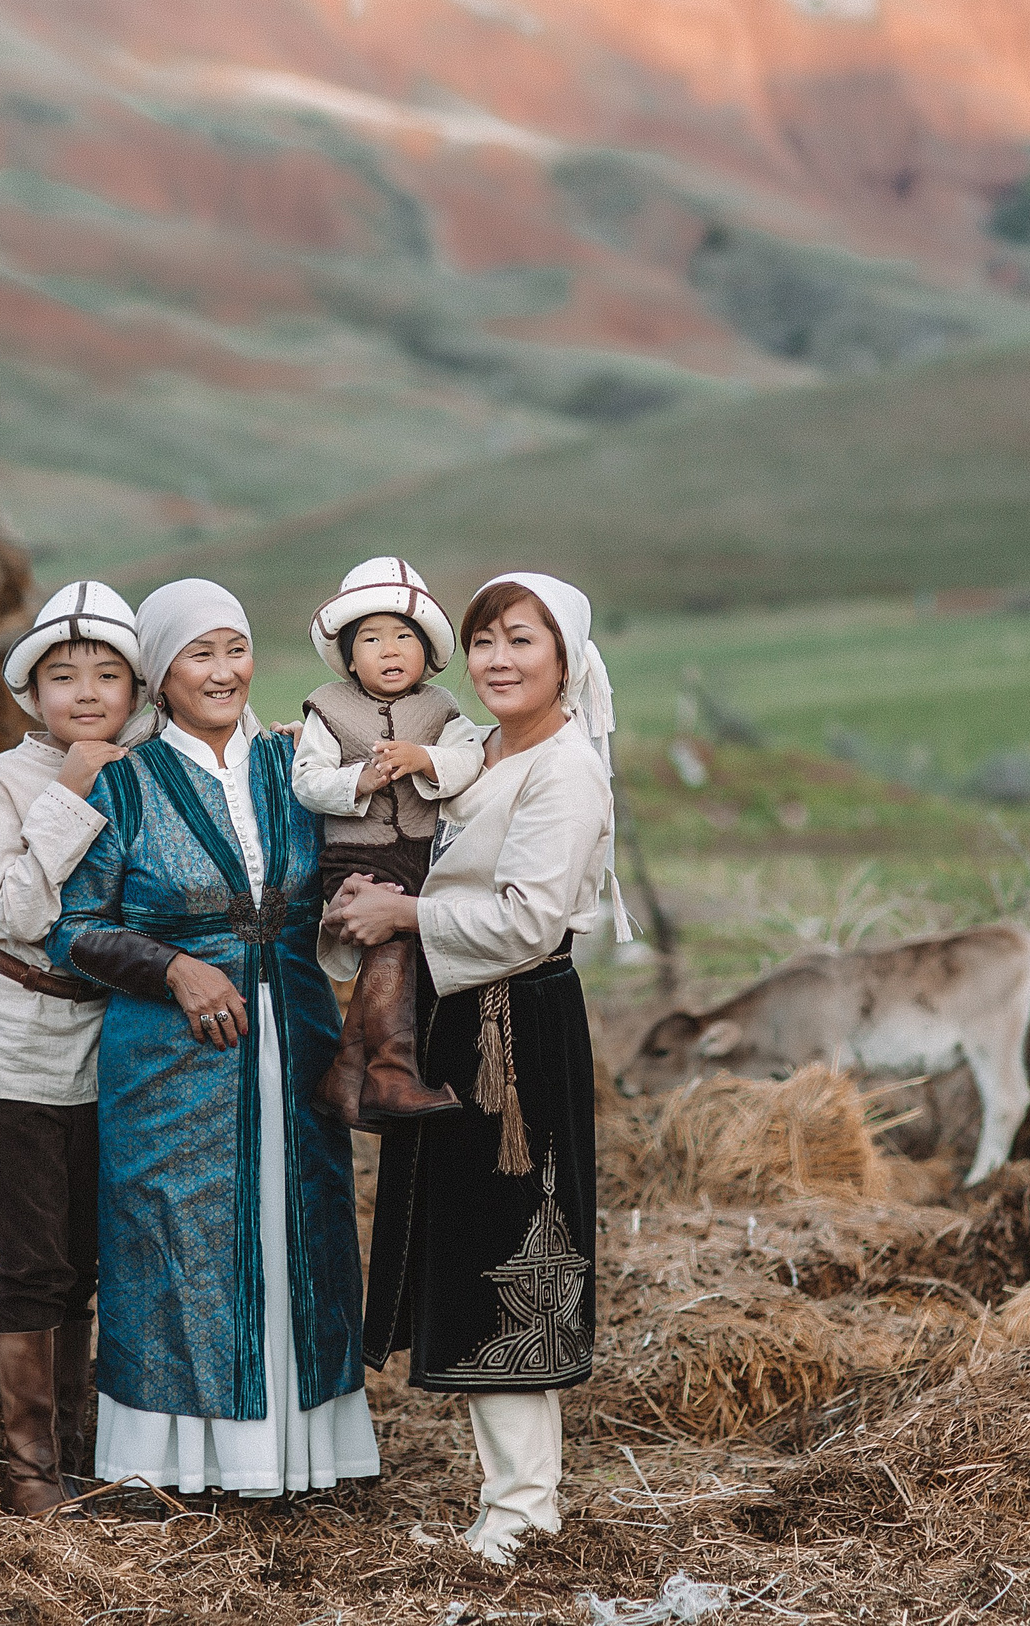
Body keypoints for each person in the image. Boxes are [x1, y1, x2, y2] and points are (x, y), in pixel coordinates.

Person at [47, 578, 379, 1499]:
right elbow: (69, 927)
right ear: (160, 675)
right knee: (174, 1237)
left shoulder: (294, 766)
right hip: (168, 1061)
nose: (225, 669)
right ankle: (174, 1465)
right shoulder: (126, 781)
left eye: (236, 647)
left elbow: (356, 866)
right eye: (201, 653)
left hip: (297, 1036)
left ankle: (302, 1455)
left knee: (301, 1221)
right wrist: (171, 968)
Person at [323, 571, 629, 1565]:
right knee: (472, 1245)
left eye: (521, 642)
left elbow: (529, 920)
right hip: (463, 1014)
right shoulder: (483, 749)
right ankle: (515, 1500)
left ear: (566, 657)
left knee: (515, 1247)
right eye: (485, 641)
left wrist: (403, 916)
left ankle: (519, 1510)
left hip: (516, 1029)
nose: (498, 661)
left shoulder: (564, 770)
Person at [0, 580, 146, 1511]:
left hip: (102, 1039)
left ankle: (77, 1445)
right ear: (31, 695)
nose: (88, 692)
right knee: (37, 1257)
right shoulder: (4, 779)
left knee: (89, 1257)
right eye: (63, 676)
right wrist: (70, 790)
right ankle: (28, 1470)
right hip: (13, 1042)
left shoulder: (146, 769)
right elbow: (23, 909)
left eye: (109, 673)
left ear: (139, 687)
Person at [292, 556, 488, 1130]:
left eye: (405, 637)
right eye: (371, 639)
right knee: (394, 944)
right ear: (349, 658)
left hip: (421, 853)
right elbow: (307, 779)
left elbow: (469, 757)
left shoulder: (440, 709)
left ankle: (345, 1074)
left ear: (427, 651)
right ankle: (390, 1073)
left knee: (396, 946)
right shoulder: (328, 708)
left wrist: (426, 758)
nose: (390, 650)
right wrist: (359, 781)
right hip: (357, 854)